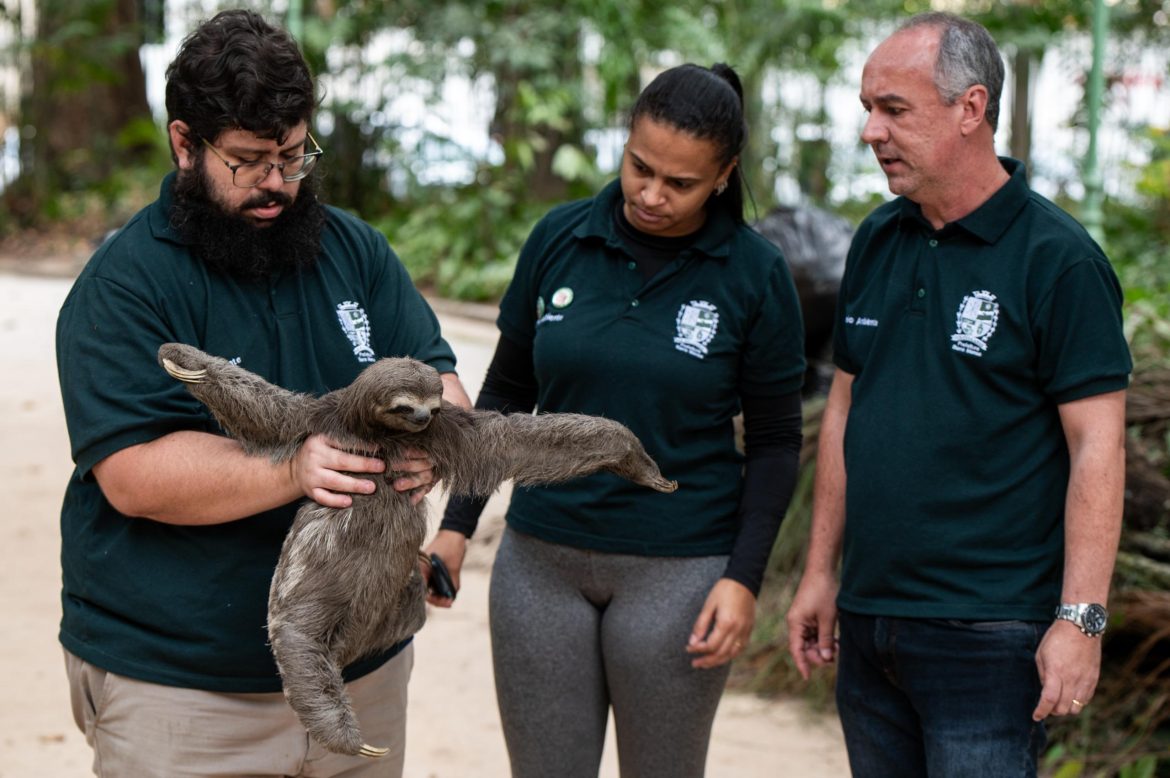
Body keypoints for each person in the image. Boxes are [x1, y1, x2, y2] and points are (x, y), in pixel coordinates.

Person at [55, 9, 471, 777]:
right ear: (186, 144)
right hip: (184, 692)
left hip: (362, 672)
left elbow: (442, 382)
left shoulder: (356, 251)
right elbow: (133, 473)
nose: (278, 182)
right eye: (248, 160)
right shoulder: (125, 286)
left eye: (293, 153)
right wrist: (291, 469)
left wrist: (429, 441)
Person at [425, 63, 806, 778]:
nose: (652, 194)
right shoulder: (560, 237)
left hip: (679, 575)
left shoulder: (755, 275)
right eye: (640, 167)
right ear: (626, 142)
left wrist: (744, 578)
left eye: (681, 183)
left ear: (724, 174)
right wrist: (454, 528)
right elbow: (507, 392)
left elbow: (778, 442)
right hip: (540, 567)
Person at [784, 12, 1132, 777]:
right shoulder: (876, 237)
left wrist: (1081, 619)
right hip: (871, 623)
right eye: (868, 108)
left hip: (990, 634)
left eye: (893, 109)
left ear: (970, 108)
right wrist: (820, 573)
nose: (870, 131)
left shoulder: (1059, 260)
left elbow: (1096, 444)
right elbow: (846, 408)